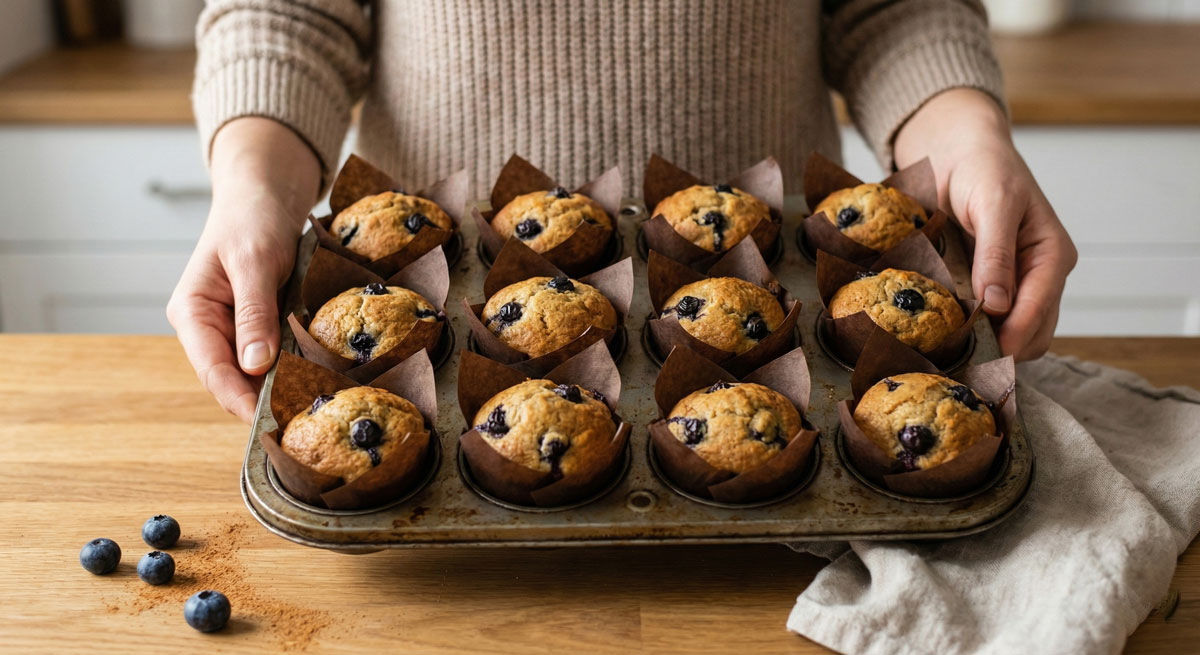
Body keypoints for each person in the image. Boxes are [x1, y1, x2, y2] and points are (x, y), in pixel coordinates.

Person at [169, 0, 1076, 422]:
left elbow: (895, 9)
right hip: (432, 305)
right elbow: (289, 17)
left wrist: (964, 134)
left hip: (783, 284)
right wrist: (254, 185)